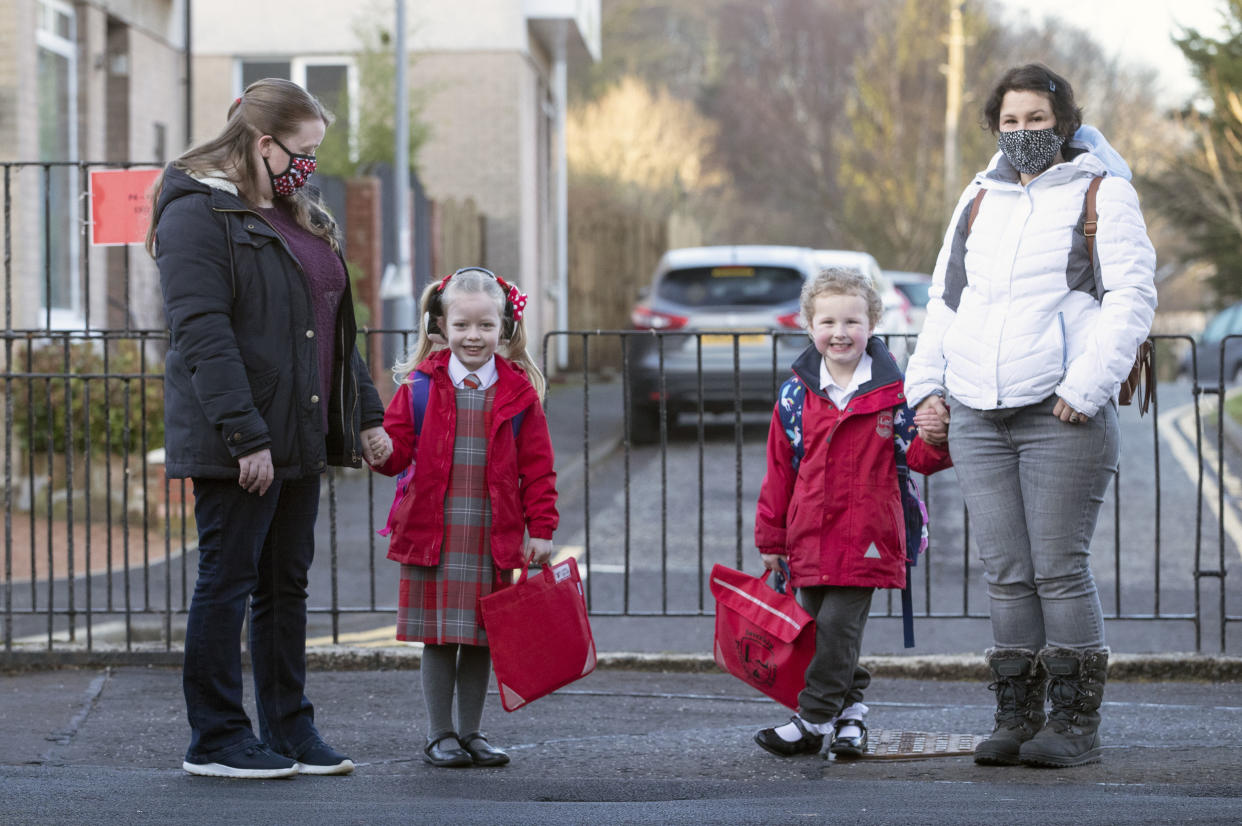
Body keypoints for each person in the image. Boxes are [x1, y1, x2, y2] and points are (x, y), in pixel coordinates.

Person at [905, 64, 1157, 768]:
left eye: (1036, 120)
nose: (1023, 133)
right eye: (1010, 122)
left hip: (1060, 413)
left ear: (1065, 123)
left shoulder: (1105, 193)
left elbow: (1131, 299)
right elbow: (944, 302)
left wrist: (1085, 385)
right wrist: (927, 389)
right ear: (996, 127)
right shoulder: (979, 199)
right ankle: (1016, 718)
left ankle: (1074, 726)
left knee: (1058, 569)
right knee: (1006, 573)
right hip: (977, 414)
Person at [148, 78, 391, 779]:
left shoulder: (295, 215)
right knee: (228, 580)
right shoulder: (197, 213)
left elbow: (333, 331)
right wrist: (243, 435)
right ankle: (217, 738)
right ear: (263, 143)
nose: (309, 166)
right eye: (304, 151)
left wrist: (366, 416)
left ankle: (290, 732)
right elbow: (203, 334)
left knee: (285, 586)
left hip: (300, 435)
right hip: (244, 439)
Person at [752, 268, 951, 759]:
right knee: (821, 632)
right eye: (827, 322)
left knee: (839, 626)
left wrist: (936, 435)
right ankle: (851, 715)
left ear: (873, 323)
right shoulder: (795, 395)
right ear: (807, 325)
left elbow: (921, 461)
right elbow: (780, 470)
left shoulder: (897, 394)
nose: (839, 332)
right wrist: (772, 540)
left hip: (867, 537)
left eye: (852, 321)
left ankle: (814, 720)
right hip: (807, 536)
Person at [371, 267, 557, 768]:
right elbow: (395, 454)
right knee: (439, 636)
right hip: (434, 532)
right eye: (462, 326)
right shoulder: (418, 388)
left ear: (505, 329)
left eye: (485, 326)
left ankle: (472, 733)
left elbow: (539, 470)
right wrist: (376, 447)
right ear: (440, 326)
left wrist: (541, 530)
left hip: (490, 535)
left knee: (480, 638)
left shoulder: (519, 395)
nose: (473, 336)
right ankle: (440, 735)